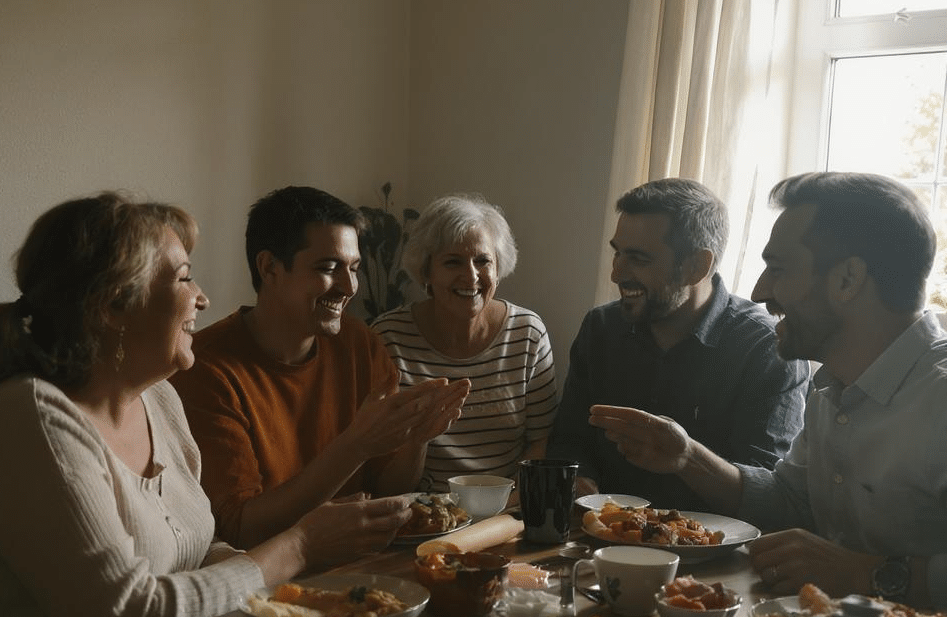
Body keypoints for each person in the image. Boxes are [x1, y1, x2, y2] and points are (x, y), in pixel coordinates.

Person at [0, 193, 415, 617]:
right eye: (183, 278)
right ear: (113, 305)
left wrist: (306, 597)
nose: (202, 297)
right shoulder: (29, 418)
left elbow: (198, 550)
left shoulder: (159, 399)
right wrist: (300, 545)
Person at [591, 172, 947, 609]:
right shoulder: (832, 387)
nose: (759, 292)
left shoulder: (939, 396)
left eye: (777, 269)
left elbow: (852, 569)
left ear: (848, 279)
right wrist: (687, 459)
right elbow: (790, 501)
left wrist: (864, 573)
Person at [170, 186, 469, 548]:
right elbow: (242, 528)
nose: (349, 286)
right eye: (328, 268)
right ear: (269, 268)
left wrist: (417, 438)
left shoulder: (360, 345)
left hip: (363, 568)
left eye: (354, 269)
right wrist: (354, 447)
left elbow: (390, 487)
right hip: (273, 586)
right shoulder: (206, 369)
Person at [547, 178, 809, 508]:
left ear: (697, 266)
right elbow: (569, 441)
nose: (616, 274)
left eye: (639, 259)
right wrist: (580, 482)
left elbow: (765, 491)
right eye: (617, 254)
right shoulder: (600, 329)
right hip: (597, 544)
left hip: (713, 550)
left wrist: (687, 458)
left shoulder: (767, 348)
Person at [372, 193, 558, 491]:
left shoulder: (527, 333)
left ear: (498, 269)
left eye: (482, 261)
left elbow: (541, 442)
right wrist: (419, 438)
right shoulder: (389, 337)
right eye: (452, 262)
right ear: (426, 271)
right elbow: (385, 482)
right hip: (422, 515)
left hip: (505, 512)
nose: (470, 276)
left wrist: (502, 505)